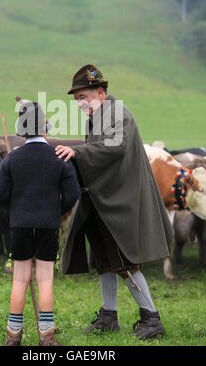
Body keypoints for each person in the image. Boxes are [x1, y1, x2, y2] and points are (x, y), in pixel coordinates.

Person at [56, 64, 174, 340]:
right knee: (104, 261)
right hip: (102, 199)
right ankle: (109, 317)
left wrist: (78, 152)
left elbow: (115, 147)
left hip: (120, 202)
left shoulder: (118, 114)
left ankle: (152, 318)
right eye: (76, 100)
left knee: (124, 263)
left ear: (100, 92)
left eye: (83, 97)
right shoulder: (98, 116)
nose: (80, 104)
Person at [0, 101, 80, 346]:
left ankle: (12, 338)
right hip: (48, 226)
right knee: (45, 280)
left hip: (19, 225)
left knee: (19, 280)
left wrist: (17, 208)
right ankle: (47, 338)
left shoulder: (12, 159)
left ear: (21, 132)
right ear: (46, 128)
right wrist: (56, 210)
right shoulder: (60, 157)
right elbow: (72, 194)